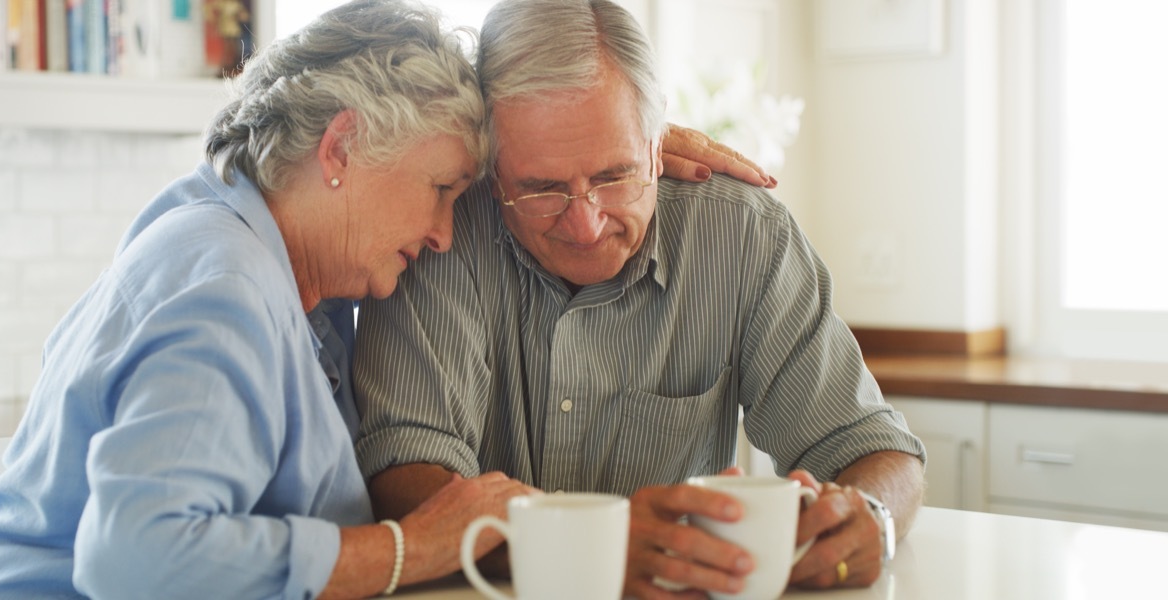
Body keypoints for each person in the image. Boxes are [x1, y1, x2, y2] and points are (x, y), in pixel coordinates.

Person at [352, 1, 926, 599]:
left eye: (614, 175)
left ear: (659, 147)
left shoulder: (745, 238)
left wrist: (873, 518)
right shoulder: (440, 235)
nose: (585, 225)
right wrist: (584, 549)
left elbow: (873, 448)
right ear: (491, 171)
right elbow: (404, 471)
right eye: (541, 188)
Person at [0, 2, 543, 598]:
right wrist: (416, 544)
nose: (443, 234)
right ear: (341, 148)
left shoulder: (258, 251)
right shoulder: (226, 286)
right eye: (440, 189)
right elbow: (138, 559)